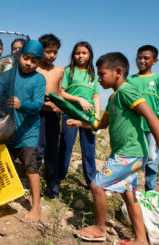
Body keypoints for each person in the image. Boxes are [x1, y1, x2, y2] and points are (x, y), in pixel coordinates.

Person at [68, 52, 159, 245]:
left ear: (117, 72)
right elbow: (102, 124)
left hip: (130, 154)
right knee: (129, 194)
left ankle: (100, 229)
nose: (98, 79)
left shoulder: (127, 91)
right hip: (126, 153)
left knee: (97, 184)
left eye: (101, 74)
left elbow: (151, 116)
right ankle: (140, 240)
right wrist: (80, 123)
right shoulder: (113, 98)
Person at [0, 40, 46, 223]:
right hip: (8, 130)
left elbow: (38, 105)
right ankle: (2, 197)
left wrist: (21, 104)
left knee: (30, 166)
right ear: (19, 56)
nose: (28, 63)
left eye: (34, 60)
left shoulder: (39, 79)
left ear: (39, 63)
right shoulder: (8, 76)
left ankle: (36, 206)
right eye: (25, 58)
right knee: (4, 164)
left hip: (28, 131)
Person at [58, 41, 100, 191]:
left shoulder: (93, 74)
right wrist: (79, 99)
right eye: (78, 53)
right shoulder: (69, 70)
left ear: (90, 55)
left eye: (84, 53)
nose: (80, 55)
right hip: (70, 112)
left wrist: (98, 115)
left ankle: (91, 181)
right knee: (65, 146)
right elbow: (61, 92)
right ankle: (59, 176)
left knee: (89, 148)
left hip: (88, 116)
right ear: (73, 55)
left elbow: (95, 96)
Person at [36, 34, 64, 198]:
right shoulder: (35, 69)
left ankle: (52, 187)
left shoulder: (60, 70)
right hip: (37, 114)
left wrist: (77, 101)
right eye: (48, 52)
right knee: (37, 150)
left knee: (52, 151)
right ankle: (32, 182)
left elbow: (61, 93)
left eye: (55, 52)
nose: (52, 55)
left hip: (53, 115)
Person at [127, 45, 158, 192]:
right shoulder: (130, 80)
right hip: (134, 127)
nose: (142, 60)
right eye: (139, 57)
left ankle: (150, 192)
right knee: (134, 159)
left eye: (146, 58)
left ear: (154, 61)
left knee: (152, 158)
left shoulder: (156, 79)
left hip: (151, 127)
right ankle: (132, 191)